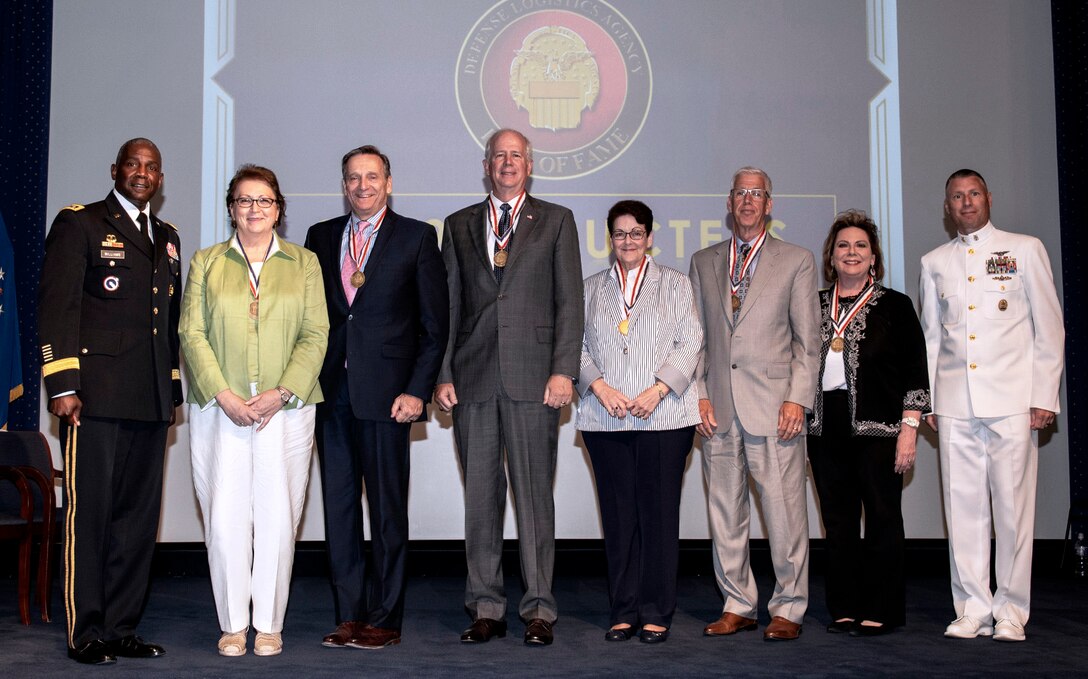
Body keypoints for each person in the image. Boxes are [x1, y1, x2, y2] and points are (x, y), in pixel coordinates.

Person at [435, 128, 584, 646]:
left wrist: (564, 369)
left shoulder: (557, 221)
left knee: (534, 498)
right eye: (498, 155)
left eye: (515, 155)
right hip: (472, 378)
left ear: (529, 164)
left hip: (534, 379)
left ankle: (539, 608)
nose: (507, 163)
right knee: (480, 499)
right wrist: (443, 373)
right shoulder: (457, 225)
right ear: (485, 164)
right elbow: (448, 306)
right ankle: (486, 607)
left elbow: (570, 302)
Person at [38, 138, 182, 665]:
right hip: (92, 399)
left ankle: (122, 627)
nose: (142, 174)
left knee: (137, 522)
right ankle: (87, 632)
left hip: (147, 400)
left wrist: (171, 393)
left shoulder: (167, 238)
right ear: (115, 170)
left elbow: (166, 325)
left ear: (160, 179)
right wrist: (62, 385)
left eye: (151, 167)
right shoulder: (79, 223)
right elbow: (57, 306)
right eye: (133, 165)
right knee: (90, 517)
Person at [180, 164, 328, 657]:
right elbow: (191, 333)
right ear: (230, 209)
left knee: (277, 516)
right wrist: (223, 393)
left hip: (284, 408)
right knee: (223, 517)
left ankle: (268, 622)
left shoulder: (304, 263)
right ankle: (231, 623)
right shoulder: (206, 262)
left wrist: (281, 392)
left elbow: (316, 334)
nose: (254, 209)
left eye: (264, 201)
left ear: (279, 210)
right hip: (219, 407)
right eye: (244, 200)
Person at [304, 145, 449, 650]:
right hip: (331, 395)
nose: (362, 186)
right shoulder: (320, 237)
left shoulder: (416, 237)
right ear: (343, 185)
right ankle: (348, 616)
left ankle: (384, 617)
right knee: (339, 510)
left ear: (388, 182)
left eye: (372, 177)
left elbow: (435, 327)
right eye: (352, 178)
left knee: (387, 513)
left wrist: (417, 390)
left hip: (390, 399)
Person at [919, 169, 1064, 642]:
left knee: (1013, 510)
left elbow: (1050, 329)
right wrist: (931, 403)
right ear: (946, 207)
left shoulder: (1024, 249)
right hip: (956, 403)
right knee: (962, 511)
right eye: (956, 197)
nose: (966, 203)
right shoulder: (934, 261)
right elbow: (931, 339)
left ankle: (1011, 611)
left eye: (973, 194)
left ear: (988, 198)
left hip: (1012, 402)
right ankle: (972, 608)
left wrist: (1044, 397)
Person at [689, 166, 820, 642]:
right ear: (729, 202)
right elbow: (696, 338)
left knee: (785, 512)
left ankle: (788, 605)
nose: (747, 200)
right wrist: (699, 394)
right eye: (740, 193)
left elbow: (809, 342)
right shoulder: (704, 261)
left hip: (775, 408)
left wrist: (797, 400)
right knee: (725, 512)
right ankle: (738, 603)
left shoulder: (797, 260)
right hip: (718, 409)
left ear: (769, 204)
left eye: (757, 193)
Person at [576, 200, 702, 644]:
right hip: (605, 418)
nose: (627, 241)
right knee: (618, 518)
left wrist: (659, 389)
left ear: (649, 237)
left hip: (664, 418)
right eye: (619, 234)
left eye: (635, 233)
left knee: (658, 516)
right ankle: (623, 610)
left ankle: (656, 611)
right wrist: (599, 387)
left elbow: (691, 342)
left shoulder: (675, 283)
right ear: (609, 239)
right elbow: (575, 345)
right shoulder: (590, 287)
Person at [807, 210, 930, 637]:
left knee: (882, 517)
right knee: (837, 523)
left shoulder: (896, 305)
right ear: (832, 256)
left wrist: (909, 429)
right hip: (824, 427)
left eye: (861, 245)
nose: (852, 252)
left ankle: (881, 608)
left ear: (873, 256)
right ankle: (842, 607)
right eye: (843, 245)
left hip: (880, 429)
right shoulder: (813, 304)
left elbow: (916, 371)